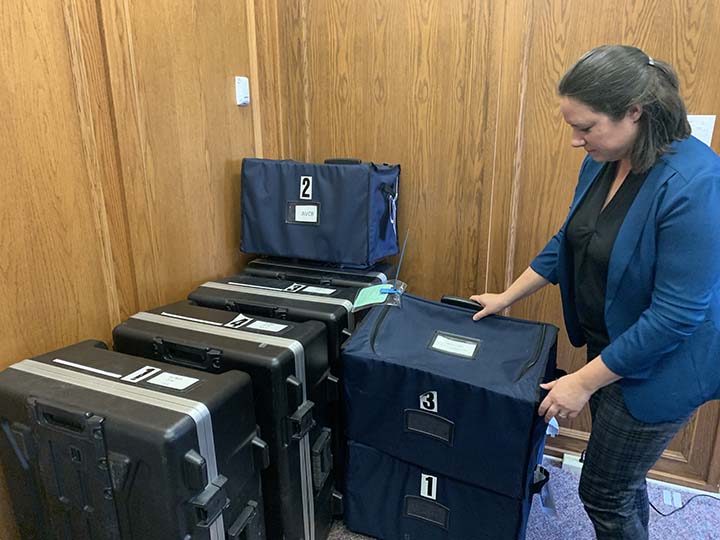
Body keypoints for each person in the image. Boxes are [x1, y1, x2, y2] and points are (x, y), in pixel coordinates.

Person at [470, 45, 720, 539]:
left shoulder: (695, 184)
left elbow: (675, 316)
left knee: (604, 491)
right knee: (622, 482)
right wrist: (506, 296)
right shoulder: (605, 158)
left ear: (635, 113)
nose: (575, 141)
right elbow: (571, 238)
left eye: (585, 128)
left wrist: (583, 381)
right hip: (611, 344)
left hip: (664, 365)